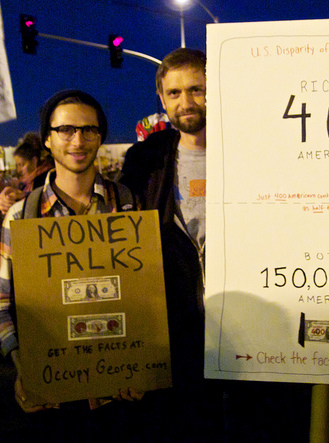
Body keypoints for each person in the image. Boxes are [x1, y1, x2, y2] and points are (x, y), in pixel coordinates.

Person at [0, 90, 139, 439]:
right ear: (48, 138)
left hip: (117, 394)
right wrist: (24, 369)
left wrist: (142, 364)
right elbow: (1, 302)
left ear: (100, 137)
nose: (78, 140)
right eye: (66, 130)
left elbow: (145, 293)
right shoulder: (21, 216)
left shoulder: (129, 206)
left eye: (89, 130)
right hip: (54, 398)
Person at [119, 48, 221, 441]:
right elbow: (116, 222)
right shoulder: (144, 160)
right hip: (174, 329)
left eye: (196, 89)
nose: (186, 102)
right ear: (162, 99)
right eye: (175, 93)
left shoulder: (249, 150)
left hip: (239, 324)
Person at [0, 131, 54, 214]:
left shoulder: (46, 178)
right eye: (17, 165)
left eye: (22, 164)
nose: (19, 170)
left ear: (34, 161)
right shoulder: (26, 183)